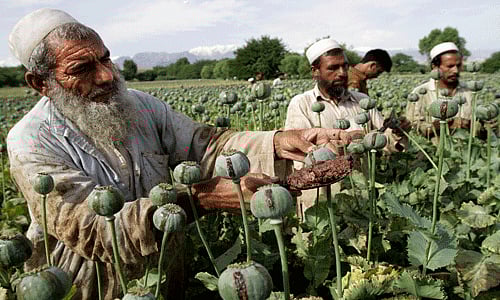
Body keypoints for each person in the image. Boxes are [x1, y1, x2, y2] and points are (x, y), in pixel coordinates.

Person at [7, 9, 351, 300]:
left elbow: (206, 145)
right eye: (82, 68)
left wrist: (278, 141)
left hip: (167, 276)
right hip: (88, 286)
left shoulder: (139, 107)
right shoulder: (32, 141)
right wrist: (201, 200)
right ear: (40, 83)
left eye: (106, 58)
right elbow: (95, 230)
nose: (107, 75)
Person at [285, 38, 407, 216]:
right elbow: (302, 153)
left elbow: (384, 141)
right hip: (321, 202)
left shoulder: (362, 101)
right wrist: (350, 141)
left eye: (345, 66)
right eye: (333, 68)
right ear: (315, 71)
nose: (342, 73)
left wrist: (396, 132)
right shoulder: (301, 104)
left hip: (360, 196)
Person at [406, 42, 473, 138]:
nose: (455, 71)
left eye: (458, 65)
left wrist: (469, 124)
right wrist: (443, 124)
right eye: (450, 66)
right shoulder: (419, 93)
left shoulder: (469, 92)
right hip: (432, 150)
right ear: (435, 67)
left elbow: (479, 125)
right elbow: (413, 129)